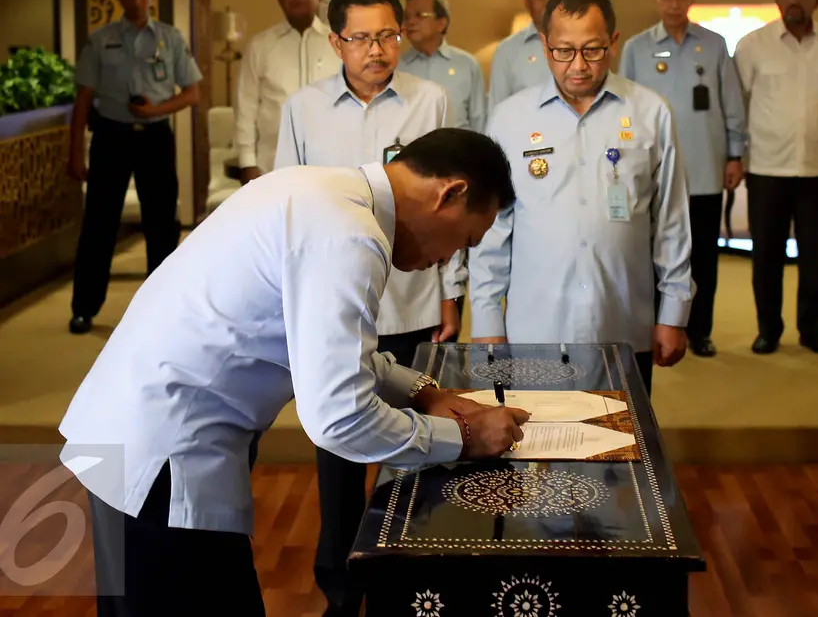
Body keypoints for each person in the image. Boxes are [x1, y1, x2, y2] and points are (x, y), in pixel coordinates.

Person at [57, 128, 529, 617]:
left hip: (121, 430)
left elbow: (336, 352)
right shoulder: (348, 234)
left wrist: (423, 391)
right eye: (465, 239)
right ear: (450, 193)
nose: (451, 258)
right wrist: (464, 437)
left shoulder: (315, 191)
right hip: (164, 457)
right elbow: (339, 420)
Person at [271, 0, 463, 617]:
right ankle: (340, 587)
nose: (377, 49)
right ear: (336, 42)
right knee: (337, 453)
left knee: (409, 453)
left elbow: (450, 206)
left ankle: (404, 582)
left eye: (388, 34)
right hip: (327, 308)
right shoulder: (303, 108)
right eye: (361, 37)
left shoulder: (430, 100)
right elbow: (284, 205)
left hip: (406, 298)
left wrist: (451, 293)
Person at [470, 0, 693, 395]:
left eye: (592, 50)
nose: (578, 65)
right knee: (540, 447)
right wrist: (486, 319)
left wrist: (674, 312)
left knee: (621, 446)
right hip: (535, 327)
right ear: (544, 44)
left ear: (613, 42)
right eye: (563, 50)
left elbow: (672, 221)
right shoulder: (510, 119)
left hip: (623, 322)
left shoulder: (650, 113)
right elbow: (492, 230)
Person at [66, 0, 202, 335]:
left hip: (155, 137)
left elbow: (192, 93)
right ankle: (84, 308)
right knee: (99, 224)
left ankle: (163, 309)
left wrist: (155, 109)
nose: (138, 0)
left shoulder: (170, 39)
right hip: (111, 138)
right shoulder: (100, 40)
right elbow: (83, 101)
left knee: (161, 226)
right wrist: (75, 152)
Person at [619, 0, 747, 358]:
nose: (674, 3)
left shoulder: (713, 45)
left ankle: (700, 330)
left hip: (704, 170)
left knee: (703, 255)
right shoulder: (636, 48)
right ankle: (655, 325)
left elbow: (731, 105)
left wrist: (735, 154)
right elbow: (622, 109)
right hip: (651, 174)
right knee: (649, 255)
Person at [734, 0, 818, 355]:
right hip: (767, 166)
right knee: (766, 255)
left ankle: (812, 328)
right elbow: (741, 103)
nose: (794, 0)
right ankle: (768, 329)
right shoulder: (753, 44)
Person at [234, 0, 339, 184]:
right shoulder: (260, 46)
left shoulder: (339, 45)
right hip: (272, 166)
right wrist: (247, 162)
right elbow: (246, 107)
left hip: (330, 166)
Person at [398, 0, 487, 132]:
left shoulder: (466, 64)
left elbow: (480, 120)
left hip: (459, 151)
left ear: (441, 23)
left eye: (419, 15)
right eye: (406, 17)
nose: (410, 22)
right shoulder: (397, 68)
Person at [487, 0, 569, 116]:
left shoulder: (584, 44)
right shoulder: (507, 50)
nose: (548, 2)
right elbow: (496, 109)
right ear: (527, 2)